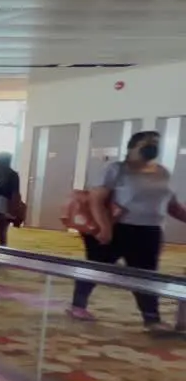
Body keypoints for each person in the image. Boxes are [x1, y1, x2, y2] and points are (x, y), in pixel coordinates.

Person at [68, 131, 185, 331]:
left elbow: (171, 203)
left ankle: (151, 318)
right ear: (132, 147)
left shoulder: (162, 172)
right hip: (118, 229)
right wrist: (104, 227)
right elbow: (96, 200)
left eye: (155, 143)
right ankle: (77, 305)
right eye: (146, 143)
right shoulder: (117, 169)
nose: (152, 147)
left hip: (150, 231)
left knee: (146, 275)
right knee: (98, 267)